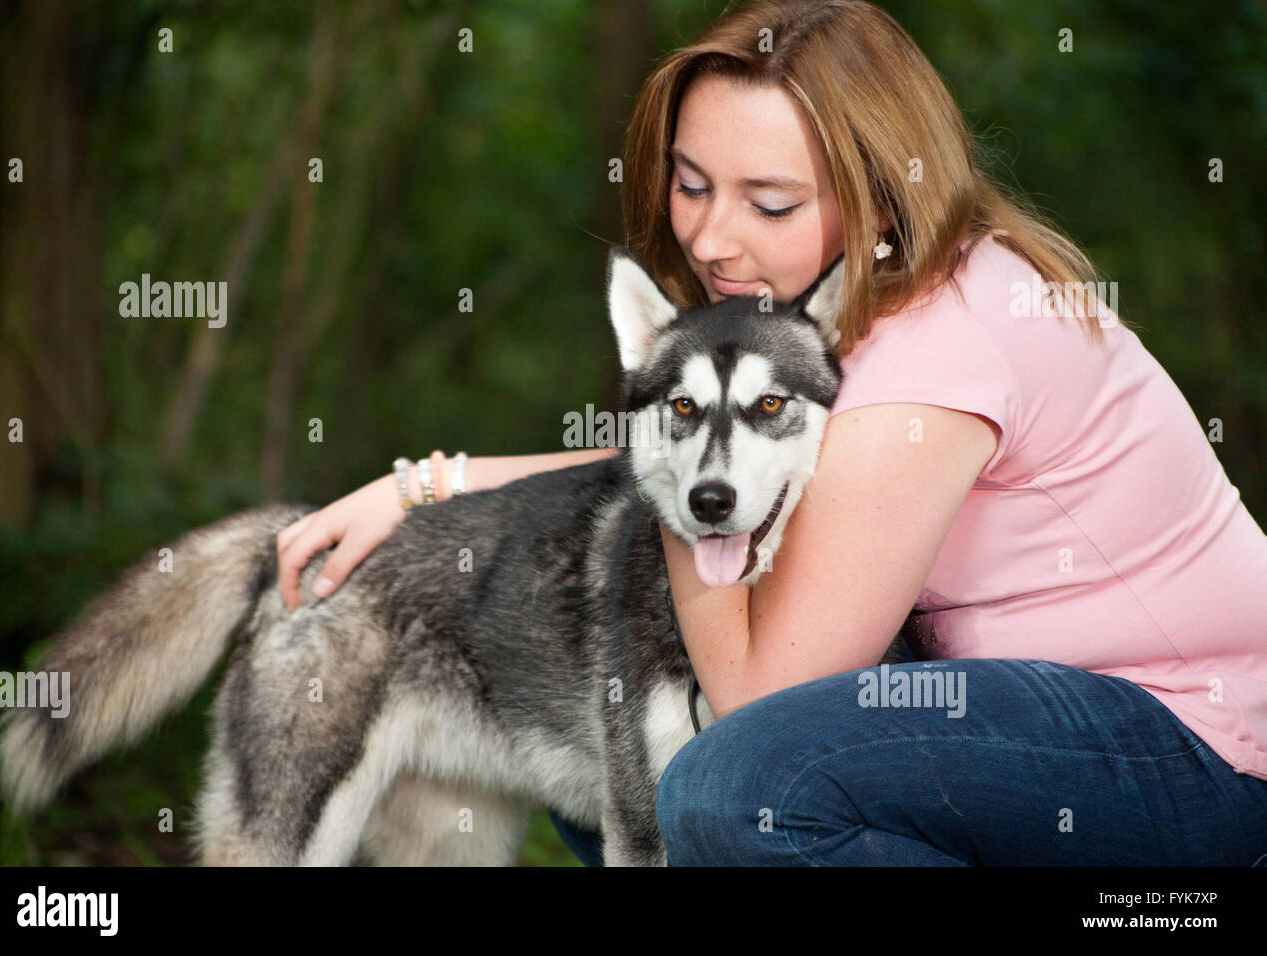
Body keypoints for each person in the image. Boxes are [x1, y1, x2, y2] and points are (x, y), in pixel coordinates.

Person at [276, 0, 1267, 865]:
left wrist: (677, 485)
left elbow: (760, 697)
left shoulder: (932, 357)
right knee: (611, 731)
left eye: (770, 201)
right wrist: (429, 484)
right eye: (692, 183)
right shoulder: (860, 303)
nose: (711, 238)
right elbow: (719, 449)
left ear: (881, 198)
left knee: (732, 782)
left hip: (1194, 742)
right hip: (1028, 707)